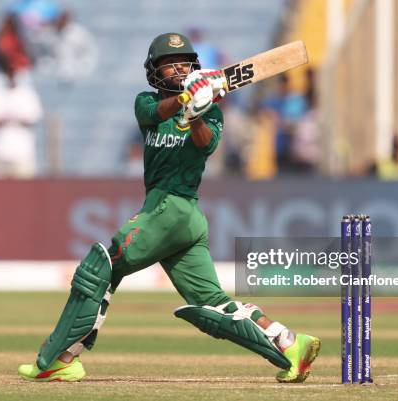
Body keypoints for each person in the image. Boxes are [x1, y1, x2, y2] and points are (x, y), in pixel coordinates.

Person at [17, 32, 320, 383]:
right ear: (154, 70)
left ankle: (60, 357)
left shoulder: (212, 113)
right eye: (170, 64)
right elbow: (157, 111)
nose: (178, 69)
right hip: (173, 217)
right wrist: (184, 100)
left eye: (185, 64)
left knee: (101, 265)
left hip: (175, 208)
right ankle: (290, 346)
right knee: (213, 304)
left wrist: (196, 114)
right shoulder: (145, 103)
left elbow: (205, 145)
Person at [0, 54, 42, 179]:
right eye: (9, 71)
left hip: (23, 153)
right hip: (0, 151)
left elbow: (32, 119)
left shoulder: (26, 95)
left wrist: (10, 119)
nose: (12, 75)